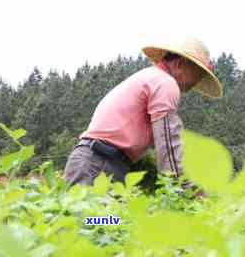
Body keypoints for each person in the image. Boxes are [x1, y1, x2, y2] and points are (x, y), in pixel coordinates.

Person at [63, 38, 223, 186]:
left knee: (105, 218)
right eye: (198, 74)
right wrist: (183, 188)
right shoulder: (165, 83)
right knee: (91, 218)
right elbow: (167, 144)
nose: (197, 81)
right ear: (180, 64)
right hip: (98, 165)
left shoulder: (150, 77)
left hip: (98, 162)